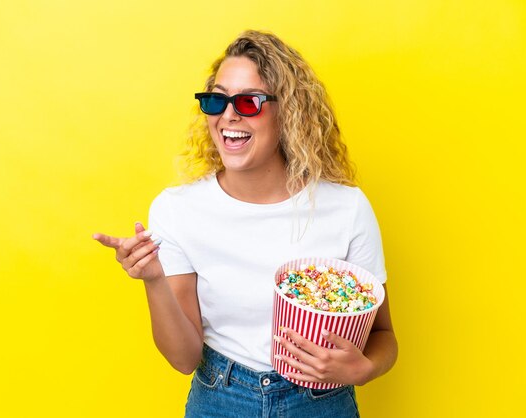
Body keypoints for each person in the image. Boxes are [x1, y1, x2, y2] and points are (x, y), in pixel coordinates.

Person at [93, 30, 397, 418]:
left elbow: (384, 336)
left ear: (288, 110)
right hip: (221, 399)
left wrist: (365, 368)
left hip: (322, 404)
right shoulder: (178, 210)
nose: (229, 115)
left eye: (248, 102)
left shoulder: (346, 207)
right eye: (217, 100)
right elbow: (185, 359)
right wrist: (154, 279)